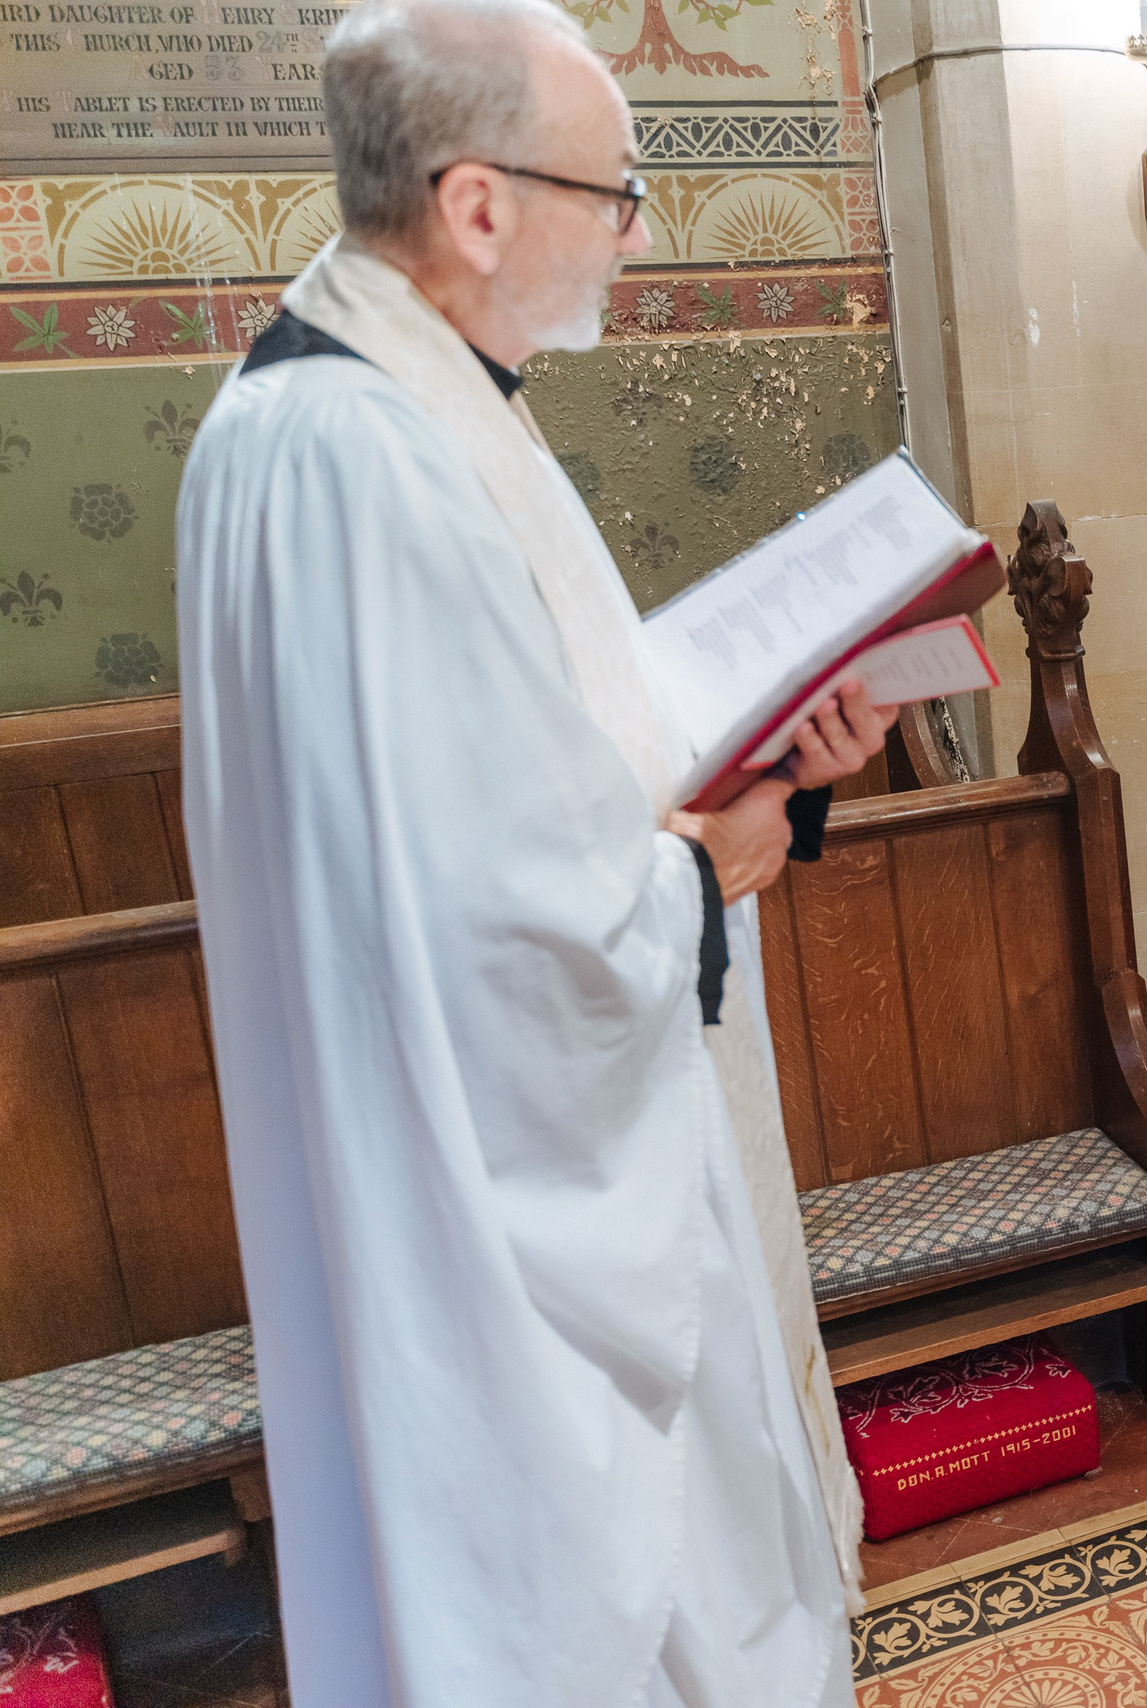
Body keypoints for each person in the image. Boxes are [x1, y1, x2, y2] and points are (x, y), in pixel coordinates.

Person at [174, 0, 884, 1700]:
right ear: (478, 204)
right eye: (614, 189)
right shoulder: (361, 457)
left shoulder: (385, 405)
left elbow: (545, 771)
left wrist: (779, 763)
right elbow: (502, 926)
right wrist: (709, 863)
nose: (633, 235)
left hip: (482, 1132)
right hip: (503, 1208)